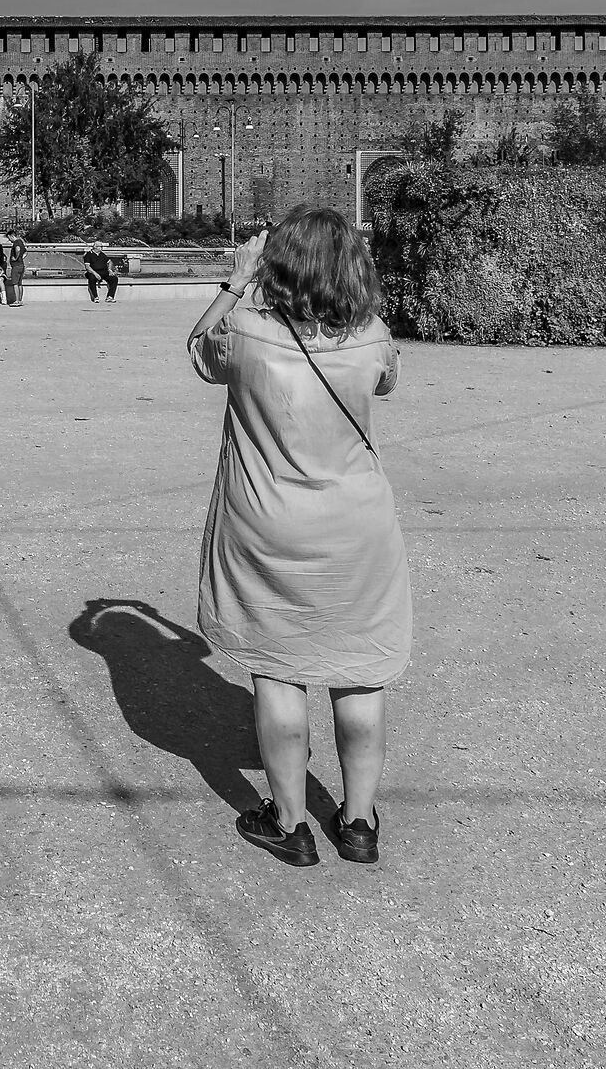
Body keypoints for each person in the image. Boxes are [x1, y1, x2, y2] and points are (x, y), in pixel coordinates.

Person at [188, 208, 405, 869]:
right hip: (357, 527)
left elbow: (197, 349)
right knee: (360, 673)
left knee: (278, 670)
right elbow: (387, 380)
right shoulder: (372, 336)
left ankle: (289, 822)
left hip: (268, 523)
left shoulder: (244, 333)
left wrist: (235, 281)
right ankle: (359, 821)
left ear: (275, 264)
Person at [5, 235, 27, 306]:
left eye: (9, 238)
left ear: (11, 236)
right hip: (21, 265)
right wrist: (21, 258)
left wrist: (16, 258)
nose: (9, 240)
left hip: (16, 266)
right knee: (20, 283)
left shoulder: (16, 242)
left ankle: (17, 300)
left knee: (15, 283)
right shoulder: (21, 242)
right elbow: (25, 252)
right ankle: (20, 300)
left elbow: (18, 249)